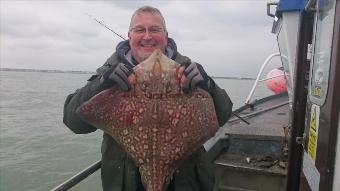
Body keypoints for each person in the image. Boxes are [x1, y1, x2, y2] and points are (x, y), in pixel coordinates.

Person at [63, 5, 233, 191]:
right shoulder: (110, 71)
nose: (147, 36)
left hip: (185, 182)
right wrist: (102, 84)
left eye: (154, 29)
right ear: (129, 36)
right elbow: (73, 122)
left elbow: (223, 115)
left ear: (166, 36)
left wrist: (208, 84)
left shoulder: (187, 69)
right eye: (139, 30)